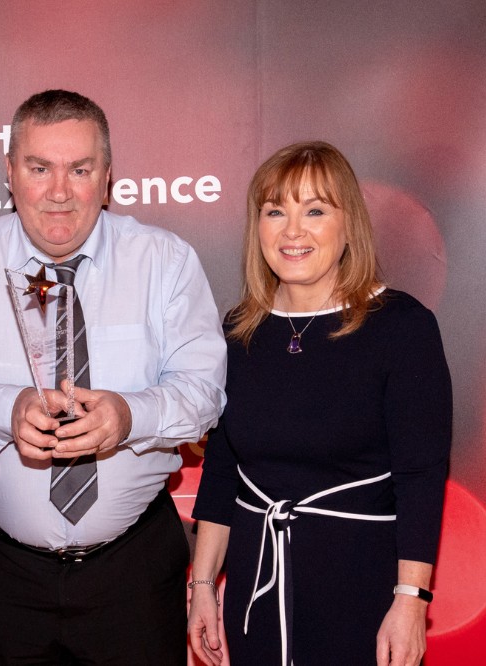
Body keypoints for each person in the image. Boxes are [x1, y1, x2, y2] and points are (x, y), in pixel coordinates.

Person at [0, 89, 227, 664]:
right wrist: (6, 408)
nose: (59, 191)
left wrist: (129, 416)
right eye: (39, 168)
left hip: (133, 574)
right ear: (9, 172)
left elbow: (203, 395)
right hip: (3, 578)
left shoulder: (165, 261)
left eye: (79, 169)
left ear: (107, 176)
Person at [187, 141, 452, 666]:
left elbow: (421, 476)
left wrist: (411, 601)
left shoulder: (402, 327)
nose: (292, 231)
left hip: (362, 588)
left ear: (348, 224)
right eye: (275, 211)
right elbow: (222, 473)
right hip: (257, 584)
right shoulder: (240, 332)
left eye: (314, 210)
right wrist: (201, 586)